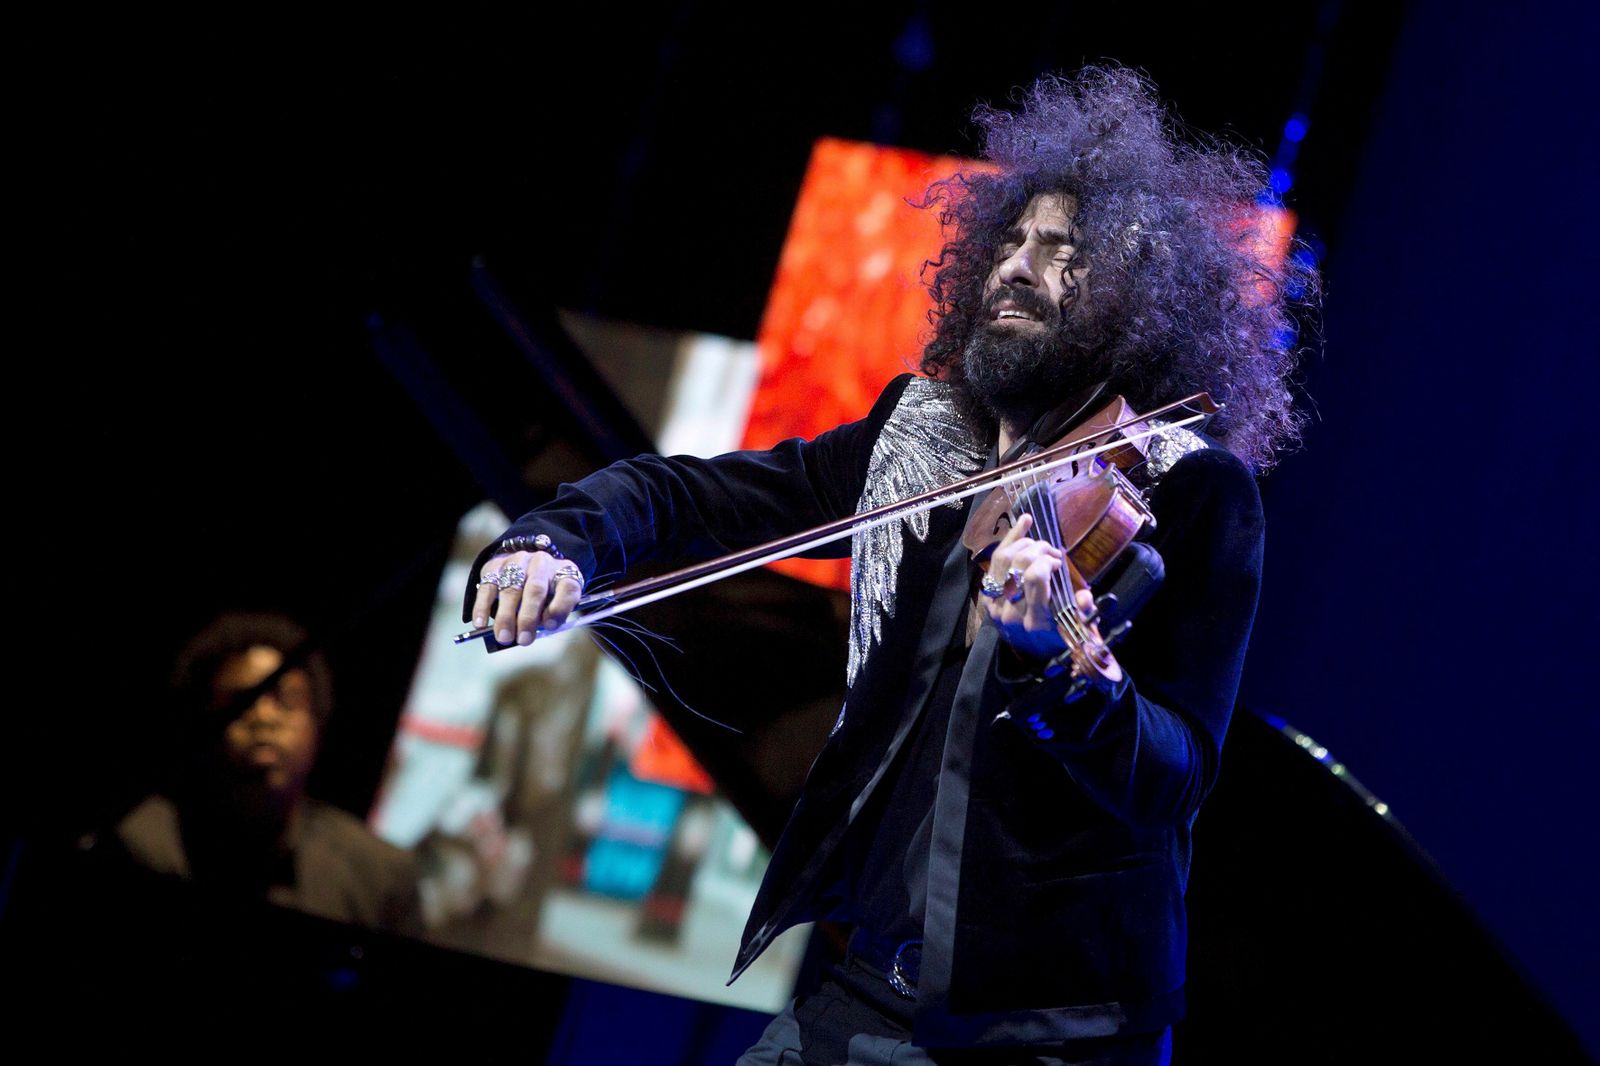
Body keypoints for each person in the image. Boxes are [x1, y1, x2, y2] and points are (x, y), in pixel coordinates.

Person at [465, 68, 1311, 1064]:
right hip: (863, 989)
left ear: (1138, 300)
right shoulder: (922, 438)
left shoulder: (1191, 492)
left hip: (1050, 1033)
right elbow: (692, 496)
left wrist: (1061, 668)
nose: (1016, 266)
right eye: (1011, 240)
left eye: (1063, 253)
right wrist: (552, 541)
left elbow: (1176, 774)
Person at [109, 612, 422, 935]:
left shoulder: (378, 875)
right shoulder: (137, 846)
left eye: (286, 702)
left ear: (316, 725)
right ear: (201, 720)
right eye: (241, 701)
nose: (263, 718)